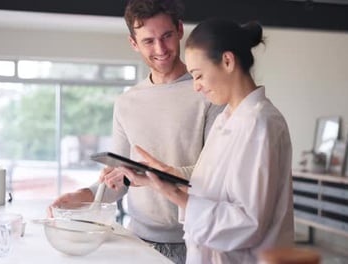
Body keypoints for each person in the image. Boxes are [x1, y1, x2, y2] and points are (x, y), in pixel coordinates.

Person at [109, 19, 295, 264]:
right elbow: (210, 190)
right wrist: (162, 177)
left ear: (227, 61)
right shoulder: (227, 121)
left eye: (198, 76)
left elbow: (248, 225)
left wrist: (176, 196)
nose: (195, 87)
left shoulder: (260, 124)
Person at [49, 1, 222, 263]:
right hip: (138, 240)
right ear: (133, 43)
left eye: (166, 36)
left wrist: (152, 174)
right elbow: (119, 181)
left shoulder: (208, 93)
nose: (160, 49)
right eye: (148, 41)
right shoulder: (127, 102)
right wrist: (82, 196)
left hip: (196, 241)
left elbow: (216, 175)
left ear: (179, 30)